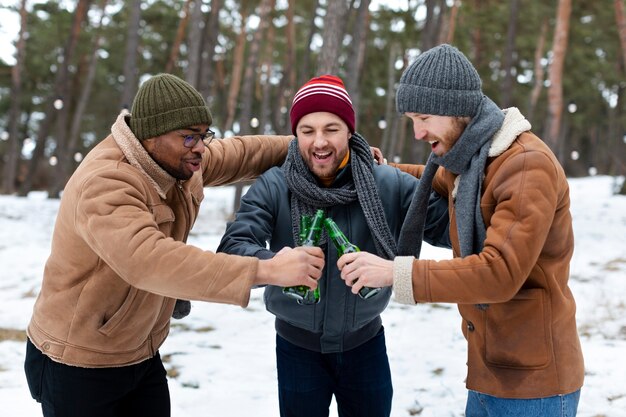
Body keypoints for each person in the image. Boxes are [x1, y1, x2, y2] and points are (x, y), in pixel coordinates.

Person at [24, 73, 325, 417]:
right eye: (188, 137)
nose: (200, 147)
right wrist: (266, 269)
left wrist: (309, 147)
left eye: (203, 136)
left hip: (139, 351)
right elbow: (149, 260)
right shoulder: (106, 182)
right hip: (78, 362)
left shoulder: (176, 161)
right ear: (151, 136)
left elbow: (242, 153)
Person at [337, 44, 584, 416]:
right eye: (411, 120)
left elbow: (499, 272)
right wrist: (381, 172)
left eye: (423, 118)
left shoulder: (525, 167)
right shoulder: (473, 158)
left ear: (457, 111)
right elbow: (430, 181)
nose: (418, 132)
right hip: (491, 371)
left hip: (536, 384)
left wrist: (396, 273)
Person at [217, 74, 450, 417]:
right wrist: (273, 265)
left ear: (350, 132)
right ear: (295, 135)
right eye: (307, 130)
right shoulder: (275, 184)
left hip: (366, 346)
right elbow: (233, 247)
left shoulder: (386, 183)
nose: (319, 141)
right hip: (296, 349)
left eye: (331, 129)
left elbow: (452, 229)